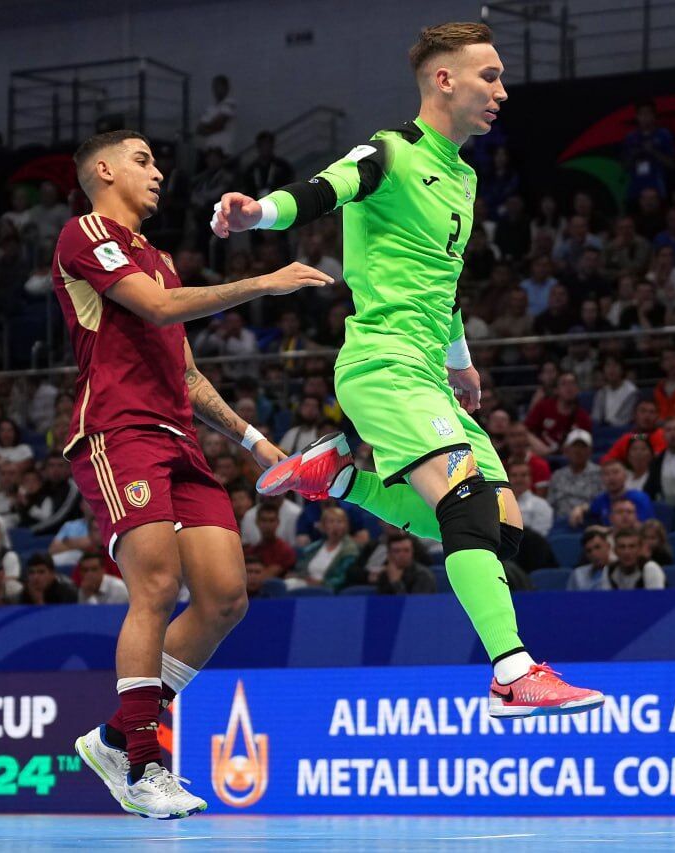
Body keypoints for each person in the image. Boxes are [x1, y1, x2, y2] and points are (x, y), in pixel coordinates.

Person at [220, 22, 600, 719]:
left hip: (430, 369)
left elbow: (443, 282)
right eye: (489, 75)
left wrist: (461, 364)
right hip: (384, 362)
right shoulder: (391, 152)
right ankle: (514, 672)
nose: (503, 91)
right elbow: (324, 189)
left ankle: (334, 476)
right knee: (463, 509)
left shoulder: (465, 176)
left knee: (502, 530)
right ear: (443, 80)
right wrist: (259, 214)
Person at [56, 129, 328, 818]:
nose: (157, 172)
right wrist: (266, 281)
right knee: (155, 582)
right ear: (103, 169)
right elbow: (156, 307)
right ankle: (145, 762)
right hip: (119, 429)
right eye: (142, 161)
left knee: (225, 597)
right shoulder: (83, 233)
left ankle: (117, 735)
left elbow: (185, 369)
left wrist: (256, 440)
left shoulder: (161, 258)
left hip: (179, 437)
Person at [548, 428, 601, 523]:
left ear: (590, 451)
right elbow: (550, 505)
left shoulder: (600, 474)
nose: (578, 451)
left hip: (589, 522)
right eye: (574, 446)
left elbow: (602, 503)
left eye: (583, 447)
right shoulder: (557, 476)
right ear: (566, 450)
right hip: (560, 524)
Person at [587, 459, 655, 526]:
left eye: (616, 472)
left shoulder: (640, 498)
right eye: (606, 474)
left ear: (625, 476)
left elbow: (645, 527)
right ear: (601, 478)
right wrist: (581, 508)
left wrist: (608, 531)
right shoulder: (600, 499)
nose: (611, 477)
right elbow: (591, 511)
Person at [507, 460, 552, 537]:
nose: (518, 480)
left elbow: (540, 536)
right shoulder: (499, 504)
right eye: (514, 475)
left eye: (523, 475)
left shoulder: (541, 505)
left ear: (531, 478)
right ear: (507, 479)